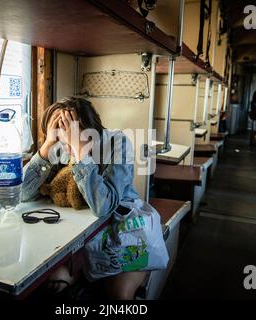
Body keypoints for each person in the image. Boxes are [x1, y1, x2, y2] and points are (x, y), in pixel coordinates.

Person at [21, 96, 164, 300]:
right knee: (54, 282)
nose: (65, 140)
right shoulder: (57, 148)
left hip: (122, 233)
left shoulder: (117, 142)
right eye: (58, 130)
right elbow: (22, 194)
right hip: (80, 241)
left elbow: (103, 206)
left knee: (118, 295)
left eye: (70, 131)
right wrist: (46, 146)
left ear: (91, 130)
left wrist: (79, 150)